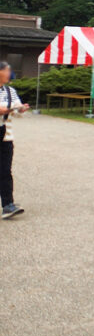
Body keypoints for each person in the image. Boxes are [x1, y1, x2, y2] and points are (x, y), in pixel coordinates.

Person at [0, 61, 29, 219]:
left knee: (5, 171)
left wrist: (21, 108)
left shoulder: (10, 91)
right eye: (7, 70)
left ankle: (8, 205)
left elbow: (16, 111)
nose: (9, 74)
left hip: (5, 136)